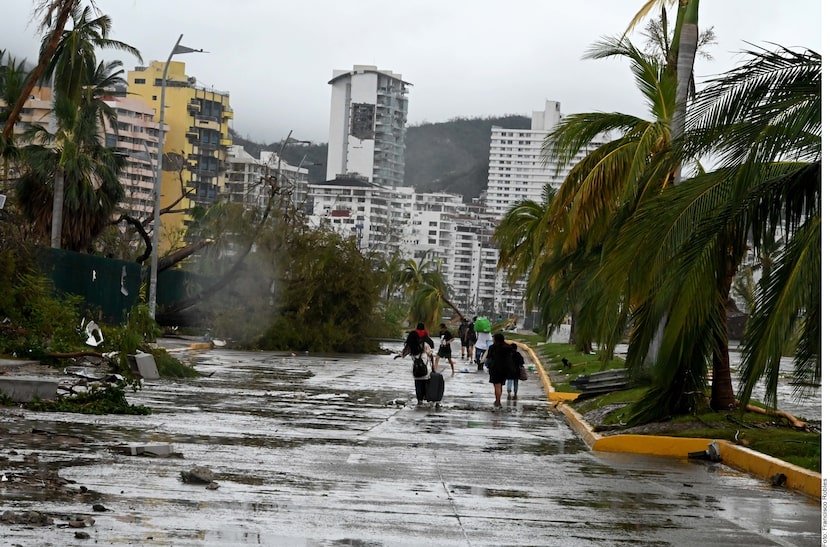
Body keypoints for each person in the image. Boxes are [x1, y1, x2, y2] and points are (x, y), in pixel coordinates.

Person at [398, 327, 435, 405]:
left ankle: (419, 400)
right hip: (426, 369)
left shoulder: (411, 347)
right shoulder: (424, 345)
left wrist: (397, 356)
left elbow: (403, 354)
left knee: (418, 384)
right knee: (426, 384)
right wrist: (433, 367)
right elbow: (431, 355)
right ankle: (428, 399)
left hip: (416, 369)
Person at [486, 333, 512, 408]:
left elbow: (489, 358)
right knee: (500, 385)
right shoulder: (508, 347)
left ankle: (498, 401)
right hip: (505, 369)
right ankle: (498, 400)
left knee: (496, 385)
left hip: (495, 368)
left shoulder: (492, 347)